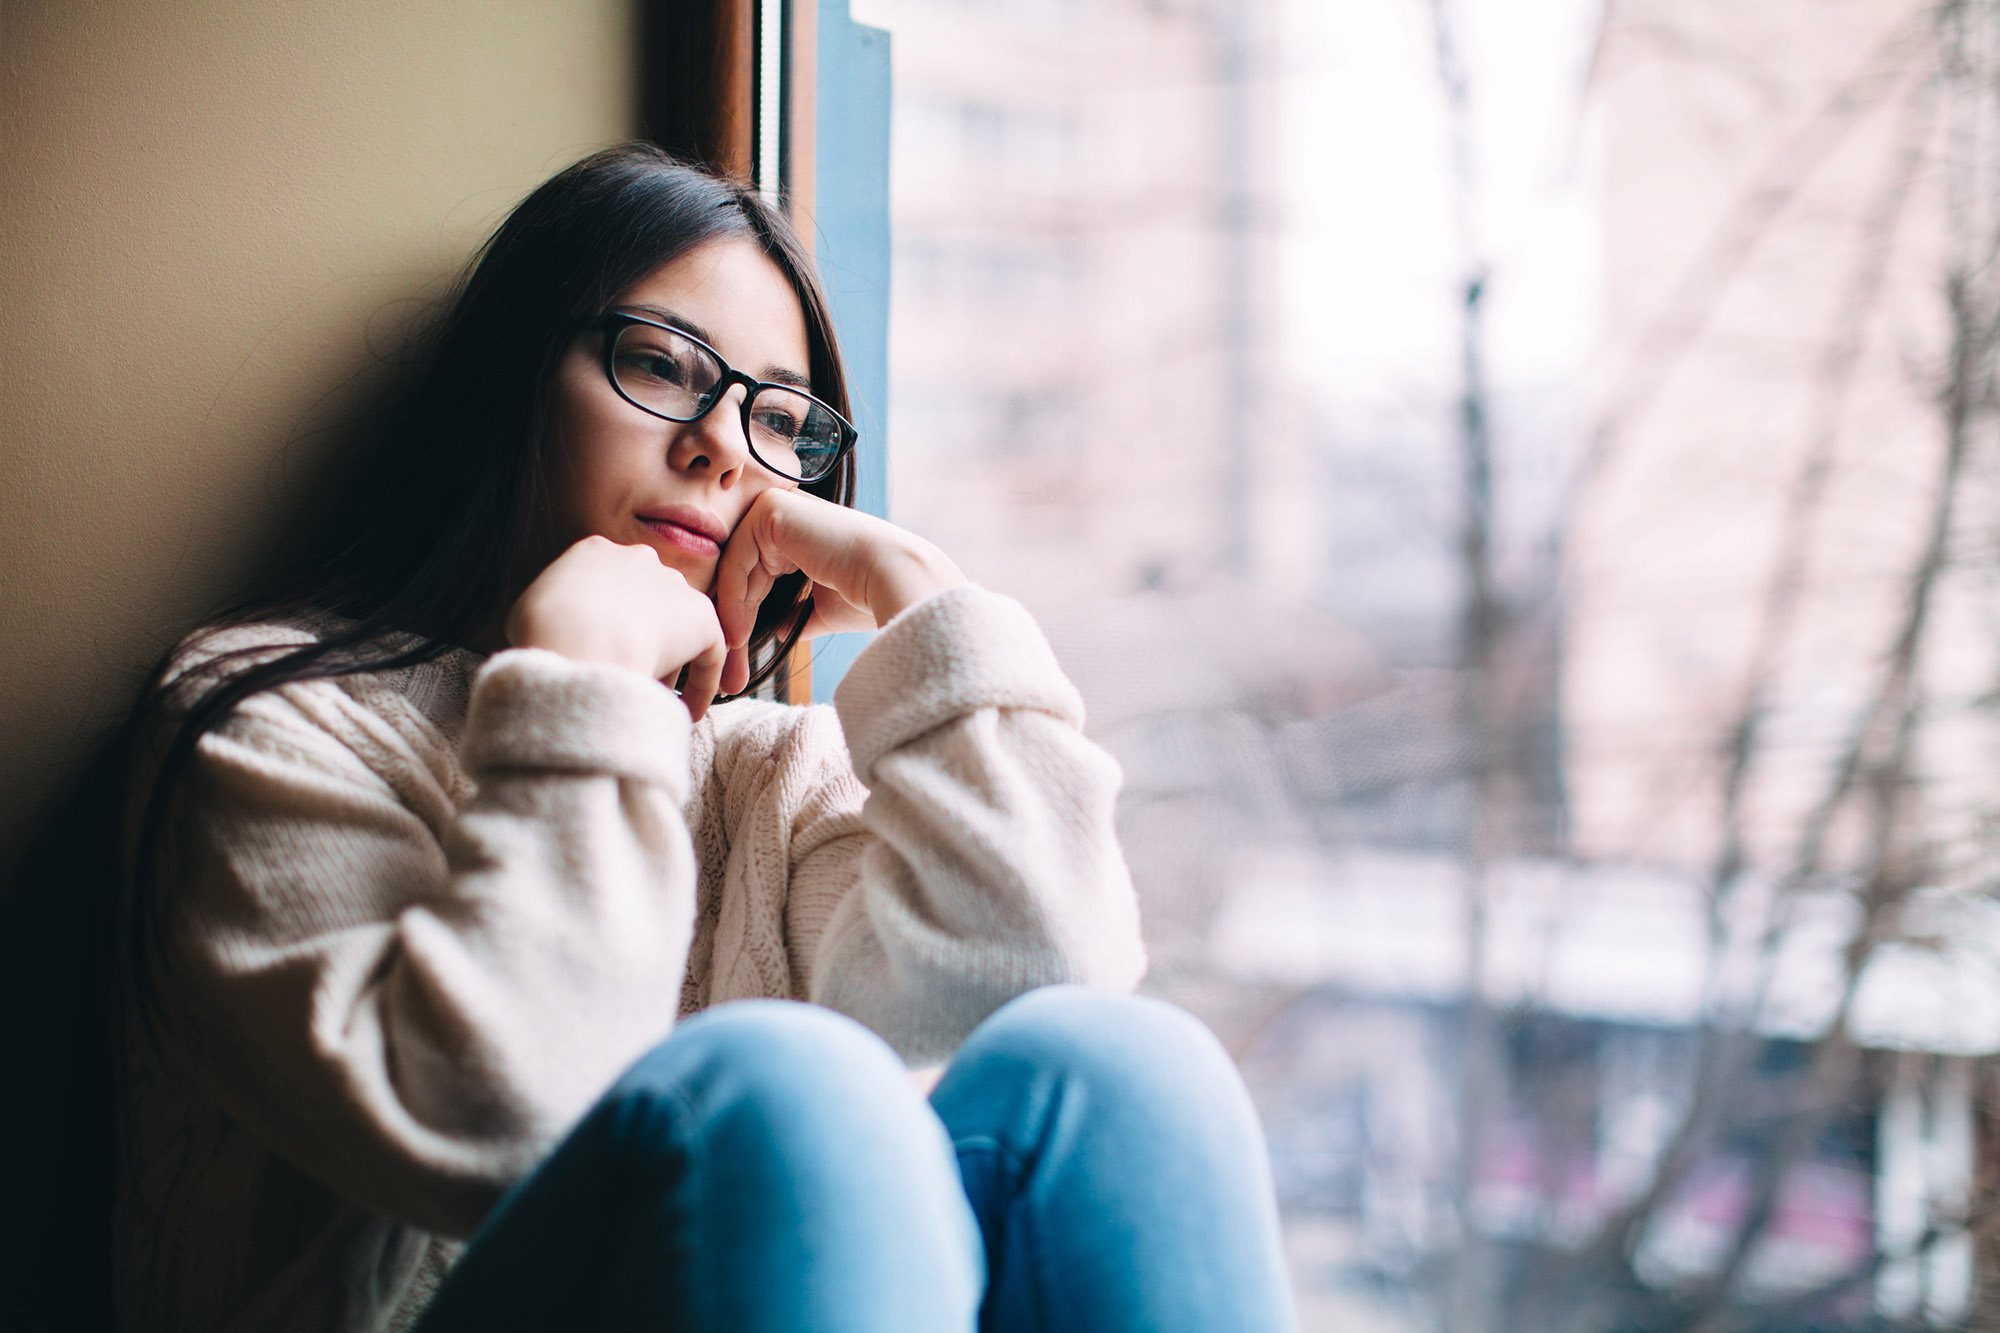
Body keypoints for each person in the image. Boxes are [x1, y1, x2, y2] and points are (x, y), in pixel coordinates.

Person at [114, 143, 1298, 1332]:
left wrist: (920, 598)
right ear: (516, 375)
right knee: (793, 1081)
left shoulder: (771, 771)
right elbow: (494, 1127)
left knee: (1133, 1072)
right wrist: (578, 683)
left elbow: (1034, 975)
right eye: (662, 365)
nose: (723, 445)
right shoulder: (264, 715)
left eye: (782, 419)